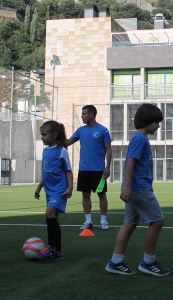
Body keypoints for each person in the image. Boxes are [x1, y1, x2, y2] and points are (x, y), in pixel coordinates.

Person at [105, 103, 171, 276]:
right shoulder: (140, 139)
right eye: (156, 122)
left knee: (130, 223)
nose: (158, 126)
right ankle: (148, 262)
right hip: (139, 189)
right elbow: (130, 163)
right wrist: (126, 187)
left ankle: (115, 261)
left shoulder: (140, 138)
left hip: (135, 189)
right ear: (148, 121)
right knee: (157, 222)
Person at [66, 105, 112, 230]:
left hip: (98, 170)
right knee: (85, 195)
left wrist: (107, 167)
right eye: (82, 114)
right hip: (84, 170)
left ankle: (103, 221)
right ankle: (88, 221)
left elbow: (109, 149)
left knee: (101, 195)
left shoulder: (103, 130)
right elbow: (67, 143)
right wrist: (57, 136)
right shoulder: (81, 130)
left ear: (91, 115)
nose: (82, 116)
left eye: (84, 114)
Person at [34, 121, 73, 259]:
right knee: (54, 219)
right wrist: (40, 186)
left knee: (49, 213)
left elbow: (68, 170)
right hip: (49, 190)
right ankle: (58, 250)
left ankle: (50, 247)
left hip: (59, 190)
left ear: (54, 135)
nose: (42, 137)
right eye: (41, 135)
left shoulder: (61, 150)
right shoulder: (45, 151)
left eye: (44, 135)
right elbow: (47, 172)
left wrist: (70, 187)